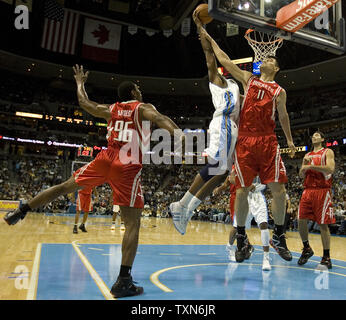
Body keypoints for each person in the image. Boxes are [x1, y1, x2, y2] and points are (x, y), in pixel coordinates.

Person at [4, 65, 185, 298]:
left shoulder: (111, 109)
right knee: (132, 224)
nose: (140, 92)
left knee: (64, 187)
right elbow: (163, 121)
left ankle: (23, 208)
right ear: (132, 93)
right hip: (126, 163)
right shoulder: (142, 107)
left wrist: (80, 82)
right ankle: (123, 280)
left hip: (106, 157)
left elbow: (85, 104)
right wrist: (179, 140)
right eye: (137, 89)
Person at [200, 27, 296, 262]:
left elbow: (283, 117)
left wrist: (291, 141)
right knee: (241, 190)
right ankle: (242, 236)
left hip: (267, 141)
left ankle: (279, 235)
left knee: (279, 191)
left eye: (271, 59)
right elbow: (224, 59)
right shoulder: (248, 79)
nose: (266, 60)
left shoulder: (279, 91)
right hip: (245, 140)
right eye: (265, 58)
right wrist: (209, 37)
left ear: (276, 68)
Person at [169, 11, 241, 237]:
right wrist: (202, 29)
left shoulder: (235, 85)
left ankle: (188, 209)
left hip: (232, 130)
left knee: (221, 173)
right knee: (216, 166)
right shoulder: (218, 82)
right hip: (223, 125)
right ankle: (181, 204)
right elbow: (210, 55)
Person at [214, 171, 271, 270]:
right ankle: (230, 247)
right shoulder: (239, 163)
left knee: (264, 225)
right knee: (236, 227)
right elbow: (231, 179)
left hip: (258, 196)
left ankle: (266, 258)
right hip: (244, 195)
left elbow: (268, 181)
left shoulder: (262, 162)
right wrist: (246, 186)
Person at [297, 131, 335, 269]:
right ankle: (306, 248)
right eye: (313, 136)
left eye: (317, 135)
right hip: (307, 190)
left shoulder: (327, 152)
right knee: (300, 219)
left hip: (322, 190)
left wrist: (311, 166)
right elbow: (301, 175)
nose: (314, 137)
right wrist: (304, 166)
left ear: (323, 139)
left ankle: (326, 257)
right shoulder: (307, 155)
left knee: (323, 224)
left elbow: (331, 168)